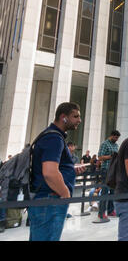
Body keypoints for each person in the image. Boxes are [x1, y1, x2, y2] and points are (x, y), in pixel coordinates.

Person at [28, 102, 86, 241]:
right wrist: (65, 194)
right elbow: (49, 172)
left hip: (46, 200)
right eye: (75, 116)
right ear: (63, 117)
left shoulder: (52, 136)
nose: (79, 120)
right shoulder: (54, 138)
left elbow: (53, 168)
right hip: (50, 200)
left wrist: (70, 171)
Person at [94, 130, 121, 223]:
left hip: (114, 171)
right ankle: (101, 213)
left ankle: (110, 210)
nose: (116, 139)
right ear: (112, 136)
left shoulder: (116, 145)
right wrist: (110, 156)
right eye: (116, 137)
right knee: (105, 191)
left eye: (118, 138)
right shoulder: (105, 144)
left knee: (113, 191)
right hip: (106, 170)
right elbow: (100, 157)